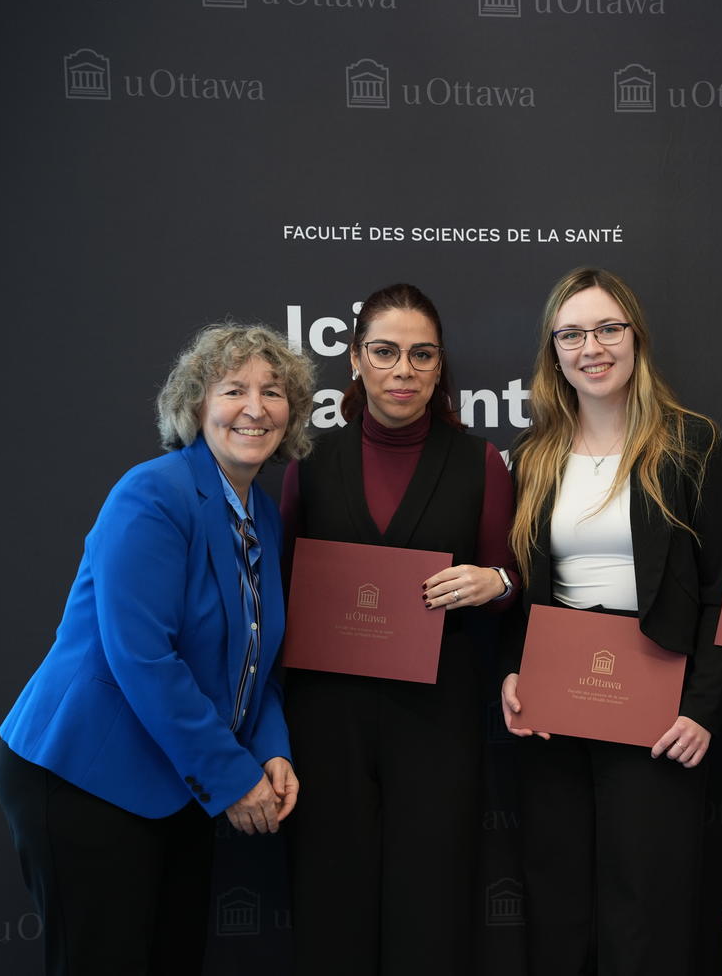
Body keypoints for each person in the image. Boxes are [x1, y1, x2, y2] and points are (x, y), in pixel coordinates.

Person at [0, 325, 315, 975]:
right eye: (234, 390)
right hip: (87, 775)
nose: (255, 408)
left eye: (273, 392)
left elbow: (255, 657)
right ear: (196, 405)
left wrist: (270, 748)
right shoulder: (154, 493)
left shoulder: (262, 514)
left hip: (178, 784)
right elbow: (143, 657)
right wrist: (233, 777)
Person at [499, 266, 722, 976]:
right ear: (553, 350)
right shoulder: (532, 457)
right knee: (559, 904)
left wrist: (702, 709)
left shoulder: (692, 445)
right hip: (556, 707)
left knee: (646, 910)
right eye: (572, 334)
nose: (591, 348)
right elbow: (521, 586)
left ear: (636, 338)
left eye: (608, 329)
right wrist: (514, 674)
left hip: (657, 708)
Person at [280, 282, 519, 975]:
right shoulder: (310, 463)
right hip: (328, 716)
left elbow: (510, 581)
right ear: (355, 359)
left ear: (440, 367)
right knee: (332, 901)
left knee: (432, 904)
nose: (403, 370)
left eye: (422, 355)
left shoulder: (479, 462)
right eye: (384, 352)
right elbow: (283, 590)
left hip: (437, 713)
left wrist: (495, 582)